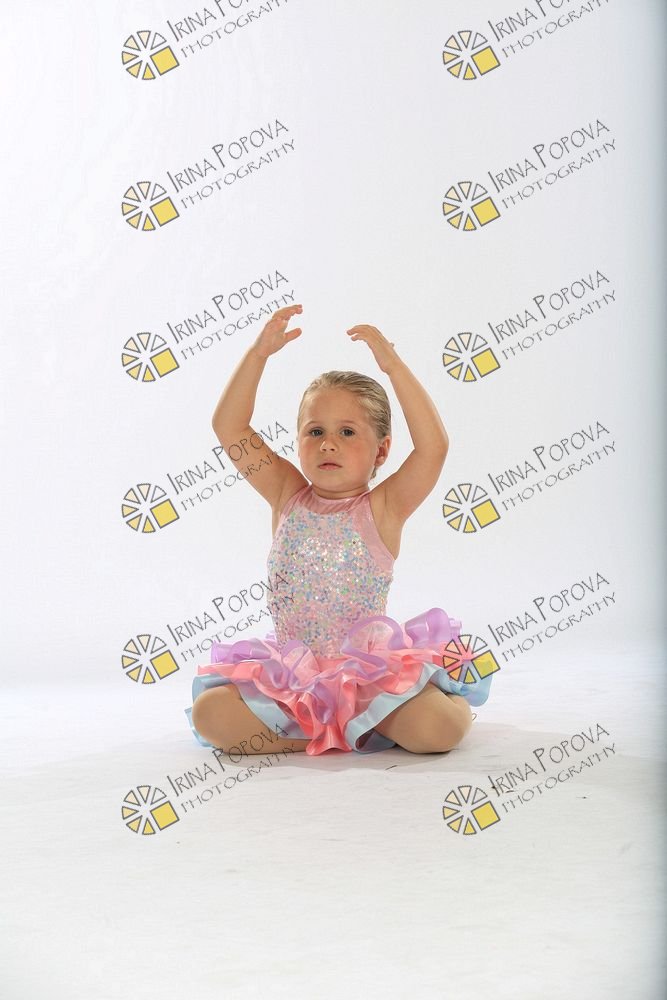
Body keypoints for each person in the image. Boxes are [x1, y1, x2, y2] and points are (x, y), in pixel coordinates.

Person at [184, 303, 494, 757]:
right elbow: (228, 426)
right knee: (210, 712)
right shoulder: (286, 494)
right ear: (297, 441)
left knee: (438, 730)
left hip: (368, 679)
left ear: (381, 451)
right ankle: (329, 733)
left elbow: (433, 448)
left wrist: (393, 366)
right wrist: (258, 355)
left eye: (347, 432)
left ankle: (405, 711)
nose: (328, 443)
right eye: (315, 431)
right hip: (292, 680)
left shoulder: (383, 508)